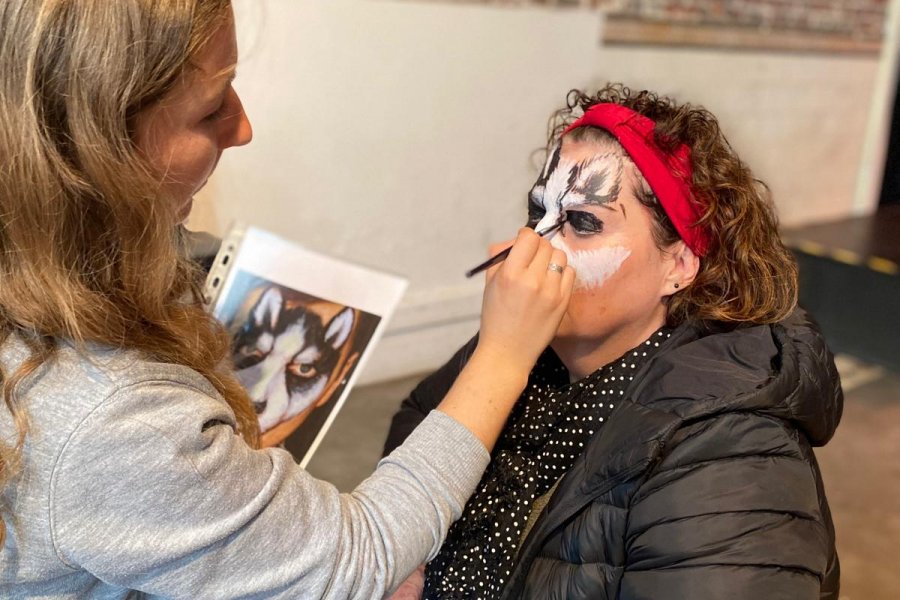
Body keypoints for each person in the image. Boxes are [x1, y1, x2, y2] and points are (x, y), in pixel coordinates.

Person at [0, 1, 576, 598]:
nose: (242, 127)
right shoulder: (113, 420)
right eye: (210, 108)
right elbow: (362, 554)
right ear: (100, 147)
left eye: (583, 220)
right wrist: (504, 354)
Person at [384, 84, 843, 600]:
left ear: (678, 266)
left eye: (583, 222)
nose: (535, 247)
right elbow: (420, 417)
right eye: (539, 214)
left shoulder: (732, 456)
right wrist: (411, 551)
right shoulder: (521, 349)